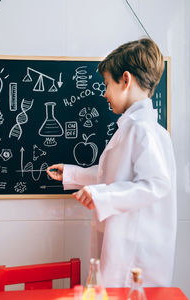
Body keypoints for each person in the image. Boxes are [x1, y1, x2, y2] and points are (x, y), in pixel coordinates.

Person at [47, 38, 177, 288]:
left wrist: (102, 195)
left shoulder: (144, 129)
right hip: (125, 248)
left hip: (137, 258)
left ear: (125, 80)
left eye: (107, 84)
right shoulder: (133, 128)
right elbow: (115, 177)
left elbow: (156, 184)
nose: (104, 93)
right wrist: (73, 174)